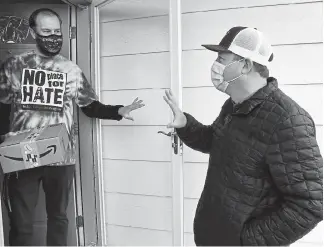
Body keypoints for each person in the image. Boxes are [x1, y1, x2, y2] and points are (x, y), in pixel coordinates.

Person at [163, 26, 323, 246]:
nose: (215, 67)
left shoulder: (287, 120)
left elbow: (309, 204)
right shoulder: (235, 104)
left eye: (221, 59)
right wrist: (184, 124)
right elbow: (213, 140)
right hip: (211, 236)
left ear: (245, 65)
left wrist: (246, 241)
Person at [0, 8, 144, 246]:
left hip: (61, 157)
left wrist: (118, 111)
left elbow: (89, 105)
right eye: (46, 31)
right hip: (22, 155)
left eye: (57, 31)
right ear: (33, 31)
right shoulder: (14, 65)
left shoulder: (71, 70)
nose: (53, 37)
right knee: (21, 223)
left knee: (58, 218)